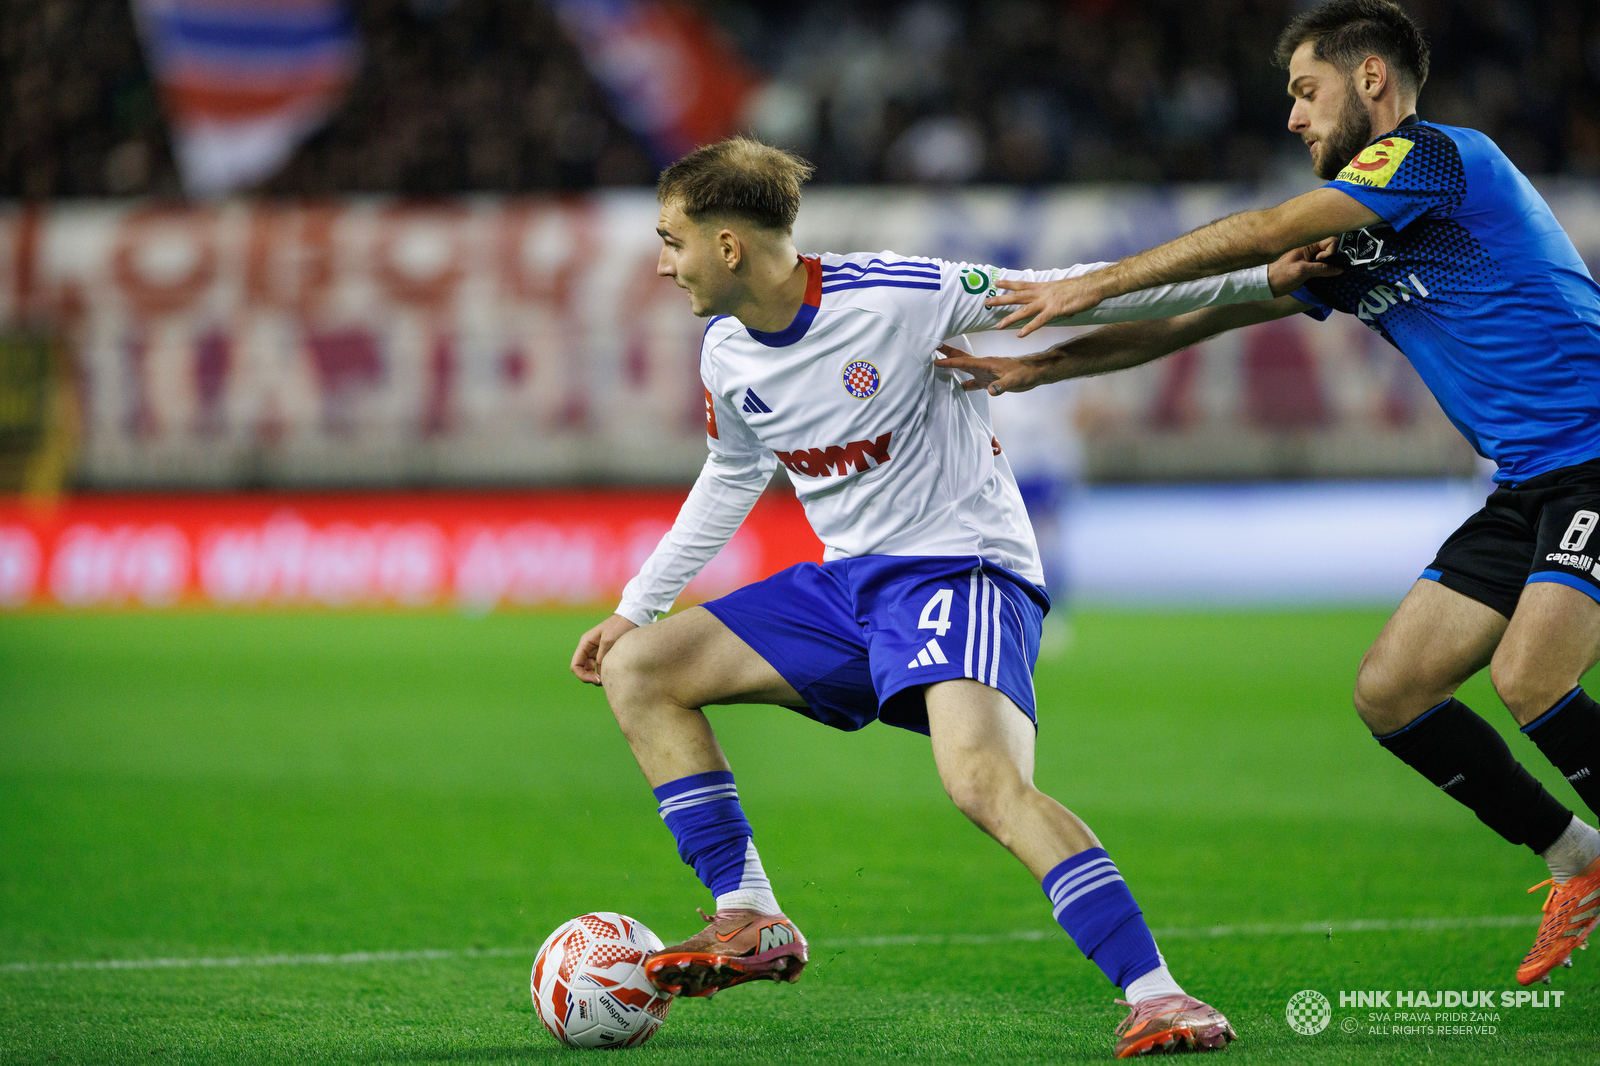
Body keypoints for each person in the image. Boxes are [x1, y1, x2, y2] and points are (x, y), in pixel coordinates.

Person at [570, 136, 1324, 1056]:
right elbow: (731, 474)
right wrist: (636, 606)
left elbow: (1073, 285)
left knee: (982, 784)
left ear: (729, 246)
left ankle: (1159, 994)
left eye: (672, 239)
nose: (660, 262)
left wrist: (1259, 282)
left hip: (959, 568)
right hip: (850, 585)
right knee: (640, 667)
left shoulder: (896, 295)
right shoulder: (727, 351)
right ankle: (749, 914)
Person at [935, 0, 1600, 987]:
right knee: (1392, 691)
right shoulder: (1353, 248)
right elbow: (1204, 317)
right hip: (1527, 484)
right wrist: (1048, 366)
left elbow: (1266, 227)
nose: (1291, 117)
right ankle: (1576, 860)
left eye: (1304, 90)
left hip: (1594, 453)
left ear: (1370, 78)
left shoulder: (1437, 158)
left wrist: (1091, 281)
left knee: (1527, 676)